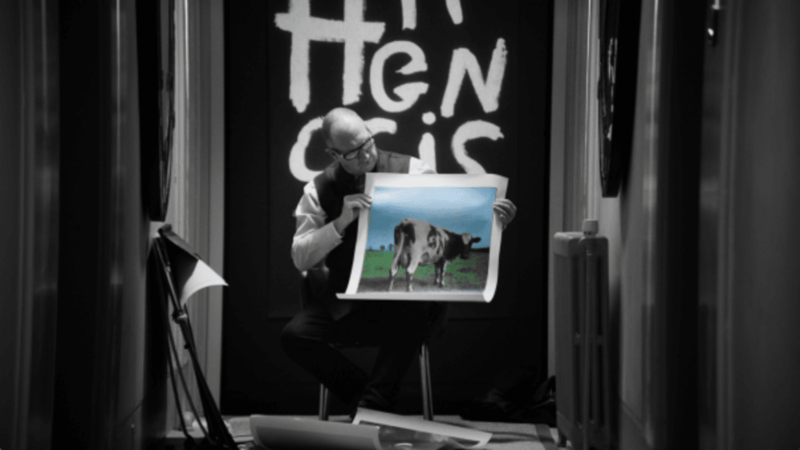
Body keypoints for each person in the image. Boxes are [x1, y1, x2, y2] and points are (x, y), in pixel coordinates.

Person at [281, 107, 517, 416]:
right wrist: (338, 222)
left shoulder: (414, 170)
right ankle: (369, 400)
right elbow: (300, 257)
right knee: (294, 336)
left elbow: (448, 216)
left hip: (403, 307)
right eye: (352, 153)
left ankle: (373, 406)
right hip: (345, 302)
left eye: (367, 143)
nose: (365, 155)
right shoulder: (317, 190)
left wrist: (494, 221)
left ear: (368, 130)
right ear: (333, 153)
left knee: (414, 307)